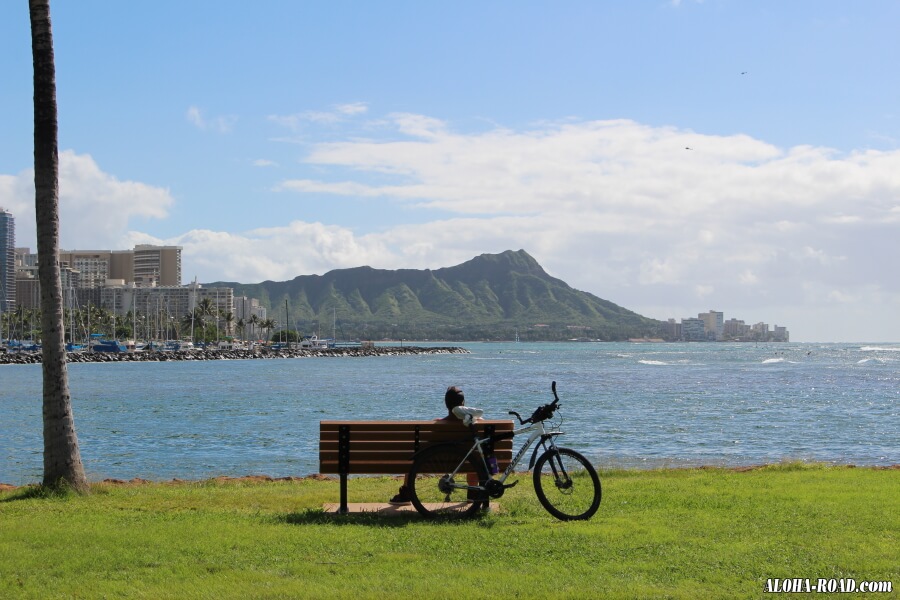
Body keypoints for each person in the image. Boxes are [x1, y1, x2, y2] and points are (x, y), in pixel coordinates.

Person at [389, 386, 486, 508]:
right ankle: (473, 492)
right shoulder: (478, 424)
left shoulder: (437, 424)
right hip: (468, 463)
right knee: (475, 457)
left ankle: (406, 494)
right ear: (463, 404)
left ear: (446, 404)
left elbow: (423, 450)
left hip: (439, 462)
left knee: (414, 458)